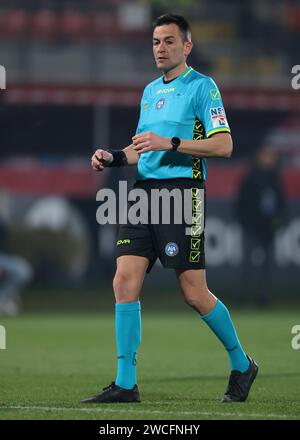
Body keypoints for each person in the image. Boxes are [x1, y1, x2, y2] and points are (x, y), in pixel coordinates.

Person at [82, 14, 258, 404]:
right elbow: (143, 147)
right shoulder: (148, 91)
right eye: (156, 42)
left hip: (183, 195)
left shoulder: (202, 87)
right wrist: (112, 156)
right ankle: (126, 383)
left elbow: (224, 145)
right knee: (123, 280)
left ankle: (241, 363)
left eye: (168, 41)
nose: (160, 49)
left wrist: (172, 143)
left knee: (194, 293)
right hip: (144, 195)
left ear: (187, 46)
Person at [236, 146, 285, 307]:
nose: (268, 159)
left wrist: (278, 220)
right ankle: (244, 296)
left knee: (266, 264)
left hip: (268, 229)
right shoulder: (251, 178)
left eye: (270, 156)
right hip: (251, 227)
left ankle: (262, 296)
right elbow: (241, 203)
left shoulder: (275, 178)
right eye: (265, 156)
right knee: (248, 263)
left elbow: (281, 203)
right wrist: (246, 222)